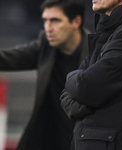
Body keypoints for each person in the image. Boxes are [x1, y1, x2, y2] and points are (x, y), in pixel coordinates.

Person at [60, 0, 122, 150]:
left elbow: (85, 88)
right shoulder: (109, 33)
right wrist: (90, 97)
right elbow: (66, 96)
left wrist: (72, 79)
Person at [0, 0, 90, 149]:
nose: (48, 28)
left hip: (82, 140)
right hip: (47, 140)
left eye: (55, 20)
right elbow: (8, 59)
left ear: (76, 21)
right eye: (45, 20)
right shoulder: (46, 46)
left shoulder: (97, 52)